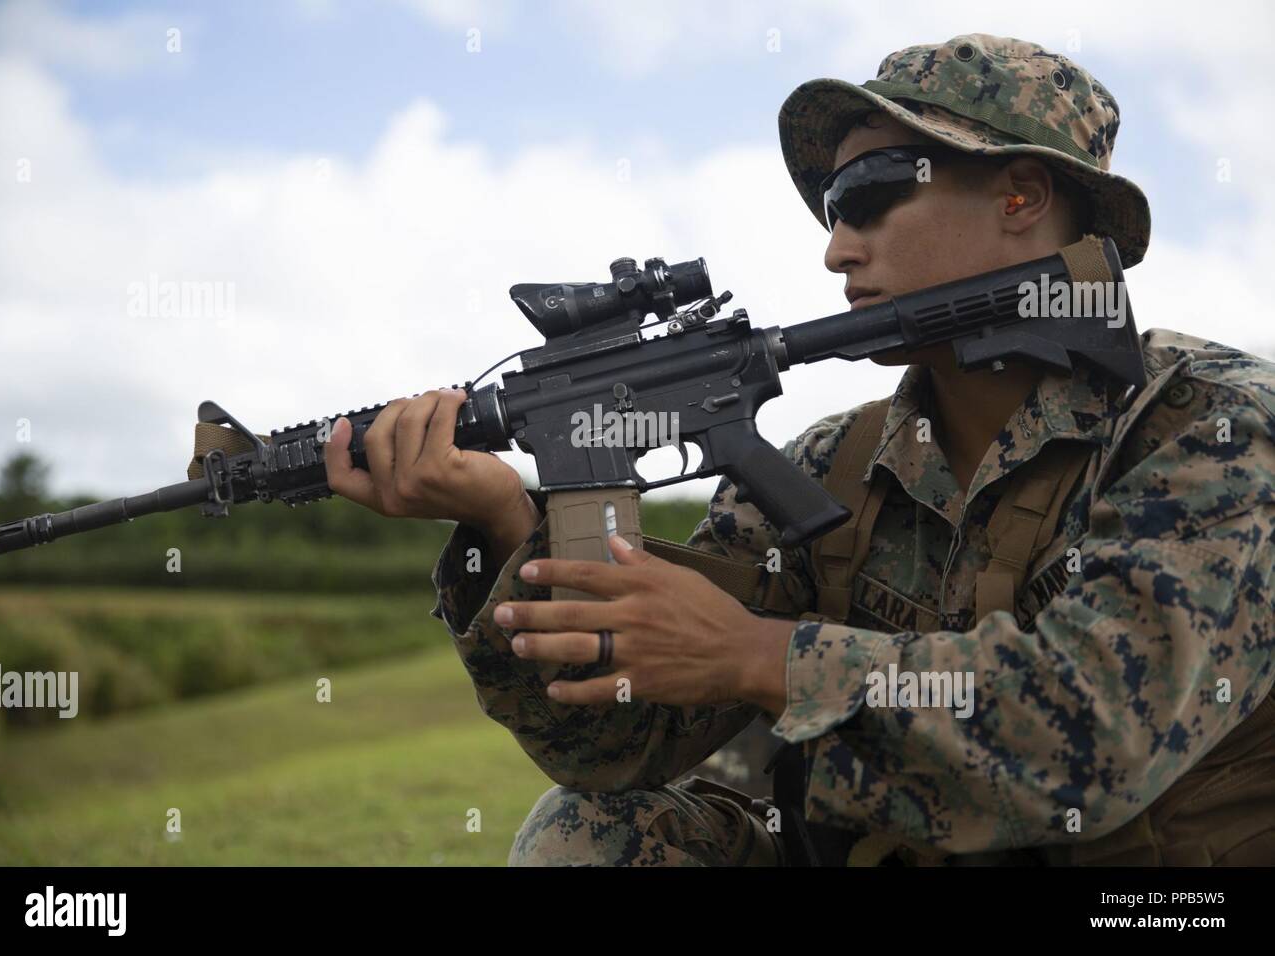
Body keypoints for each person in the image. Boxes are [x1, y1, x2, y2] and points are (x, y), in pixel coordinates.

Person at [324, 34, 1275, 865]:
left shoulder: (1211, 425)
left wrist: (753, 652)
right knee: (590, 833)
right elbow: (617, 745)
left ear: (1022, 195)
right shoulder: (831, 463)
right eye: (830, 208)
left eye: (869, 196)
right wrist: (503, 523)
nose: (837, 249)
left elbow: (1092, 737)